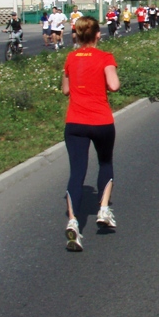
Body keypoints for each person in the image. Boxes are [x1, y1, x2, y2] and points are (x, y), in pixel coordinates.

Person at [62, 16, 121, 251]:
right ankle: (104, 209)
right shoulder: (105, 57)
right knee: (105, 162)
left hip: (75, 122)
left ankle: (73, 223)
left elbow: (66, 90)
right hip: (101, 121)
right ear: (98, 34)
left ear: (77, 34)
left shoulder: (70, 58)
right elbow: (114, 85)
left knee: (77, 173)